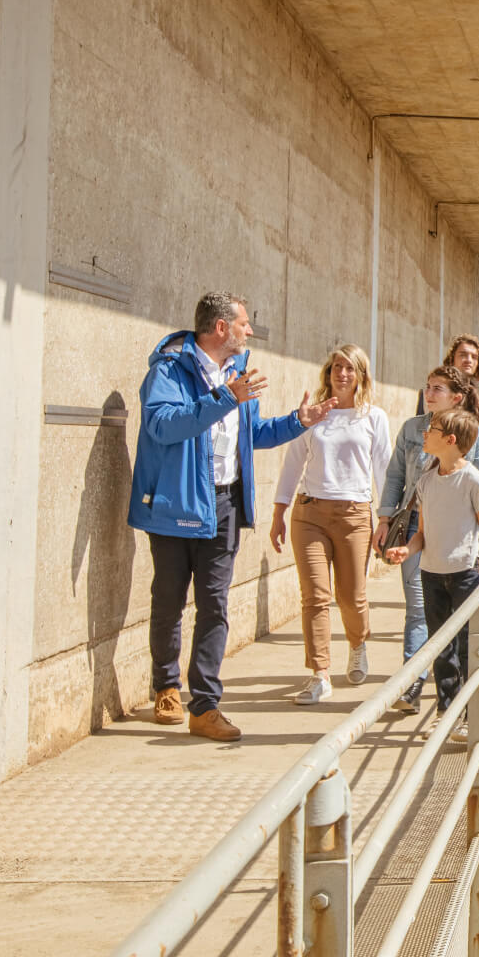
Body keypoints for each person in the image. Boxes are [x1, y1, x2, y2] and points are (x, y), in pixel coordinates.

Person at [129, 292, 335, 741]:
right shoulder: (168, 369)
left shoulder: (239, 373)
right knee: (168, 600)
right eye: (244, 323)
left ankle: (205, 707)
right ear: (220, 327)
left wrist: (299, 421)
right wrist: (224, 397)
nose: (250, 331)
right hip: (176, 503)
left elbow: (251, 435)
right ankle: (166, 686)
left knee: (215, 606)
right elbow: (163, 425)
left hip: (224, 505)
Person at [271, 345, 391, 705]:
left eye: (350, 369)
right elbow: (293, 462)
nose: (342, 374)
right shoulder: (314, 414)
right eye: (337, 367)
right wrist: (278, 511)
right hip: (309, 513)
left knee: (351, 597)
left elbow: (384, 469)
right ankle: (320, 674)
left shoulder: (373, 417)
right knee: (315, 597)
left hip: (355, 515)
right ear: (328, 372)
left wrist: (386, 519)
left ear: (361, 376)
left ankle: (358, 643)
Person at [375, 365, 479, 714]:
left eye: (437, 388)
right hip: (417, 528)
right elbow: (396, 475)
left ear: (456, 397)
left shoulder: (473, 437)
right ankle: (414, 680)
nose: (428, 393)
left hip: (459, 539)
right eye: (427, 387)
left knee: (461, 627)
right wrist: (385, 519)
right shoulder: (412, 429)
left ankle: (465, 699)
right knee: (420, 611)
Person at [418, 333, 479, 415]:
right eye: (463, 355)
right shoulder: (428, 392)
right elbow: (419, 425)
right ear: (452, 358)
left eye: (474, 357)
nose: (469, 360)